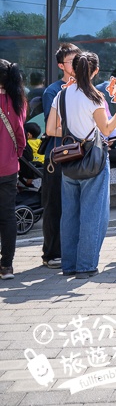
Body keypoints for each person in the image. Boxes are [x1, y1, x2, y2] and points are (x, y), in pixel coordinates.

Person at [45, 51, 116, 278]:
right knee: (93, 214)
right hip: (93, 158)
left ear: (74, 69)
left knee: (70, 214)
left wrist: (72, 134)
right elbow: (106, 130)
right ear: (95, 71)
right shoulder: (94, 97)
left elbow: (50, 130)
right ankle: (86, 266)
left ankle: (69, 265)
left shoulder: (62, 96)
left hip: (69, 157)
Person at [38, 43, 80, 269]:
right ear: (60, 65)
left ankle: (71, 250)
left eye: (79, 60)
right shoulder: (53, 91)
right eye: (72, 61)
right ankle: (51, 253)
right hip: (58, 157)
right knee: (54, 206)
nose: (76, 65)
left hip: (80, 156)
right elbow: (51, 126)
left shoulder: (86, 88)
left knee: (75, 206)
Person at [0, 60, 27, 279]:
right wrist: (14, 156)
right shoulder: (17, 101)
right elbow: (20, 136)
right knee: (8, 215)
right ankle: (6, 266)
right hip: (8, 167)